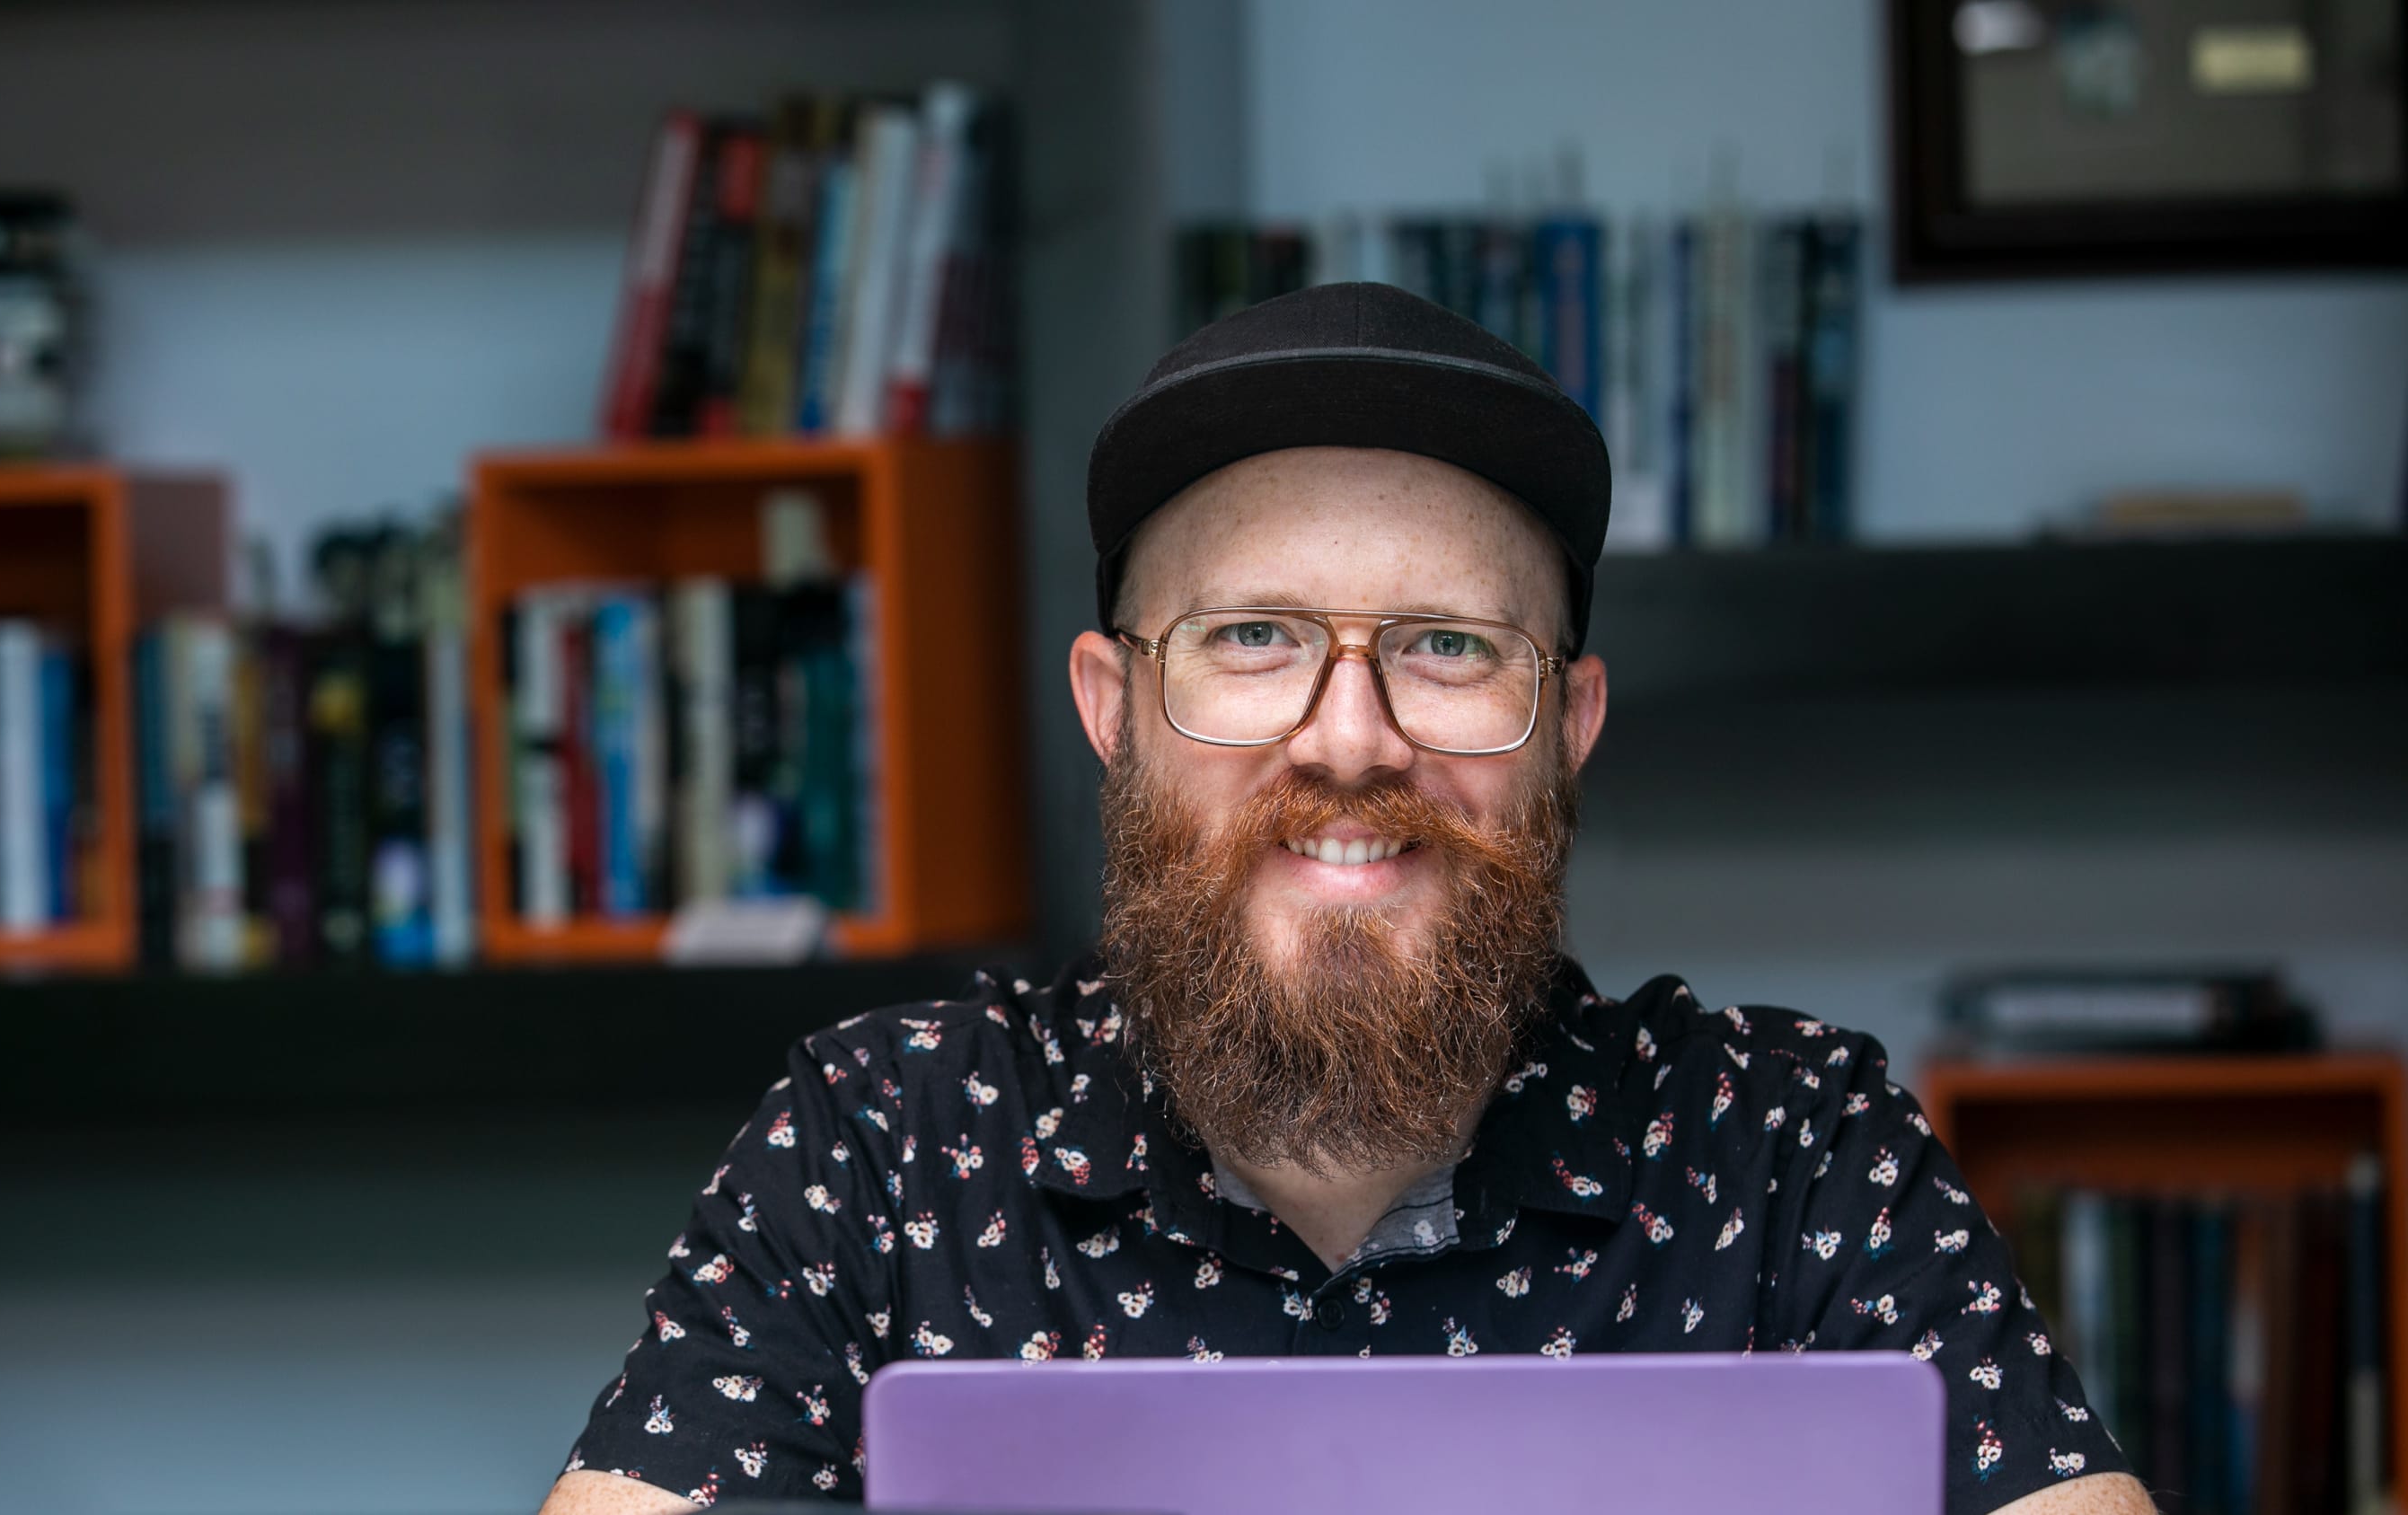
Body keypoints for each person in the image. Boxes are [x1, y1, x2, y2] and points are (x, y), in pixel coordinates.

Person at [538, 284, 2148, 1515]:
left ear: (1568, 728)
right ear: (1111, 706)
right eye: (1253, 640)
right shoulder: (880, 1147)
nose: (1351, 739)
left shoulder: (1793, 1149)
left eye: (1450, 647)